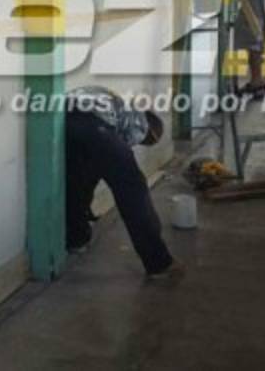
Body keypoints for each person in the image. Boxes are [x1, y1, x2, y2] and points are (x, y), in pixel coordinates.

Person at [63, 86, 182, 279]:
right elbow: (121, 156)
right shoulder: (140, 123)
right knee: (133, 187)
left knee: (78, 180)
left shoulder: (115, 102)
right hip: (92, 122)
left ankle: (76, 239)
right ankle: (159, 263)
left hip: (60, 121)